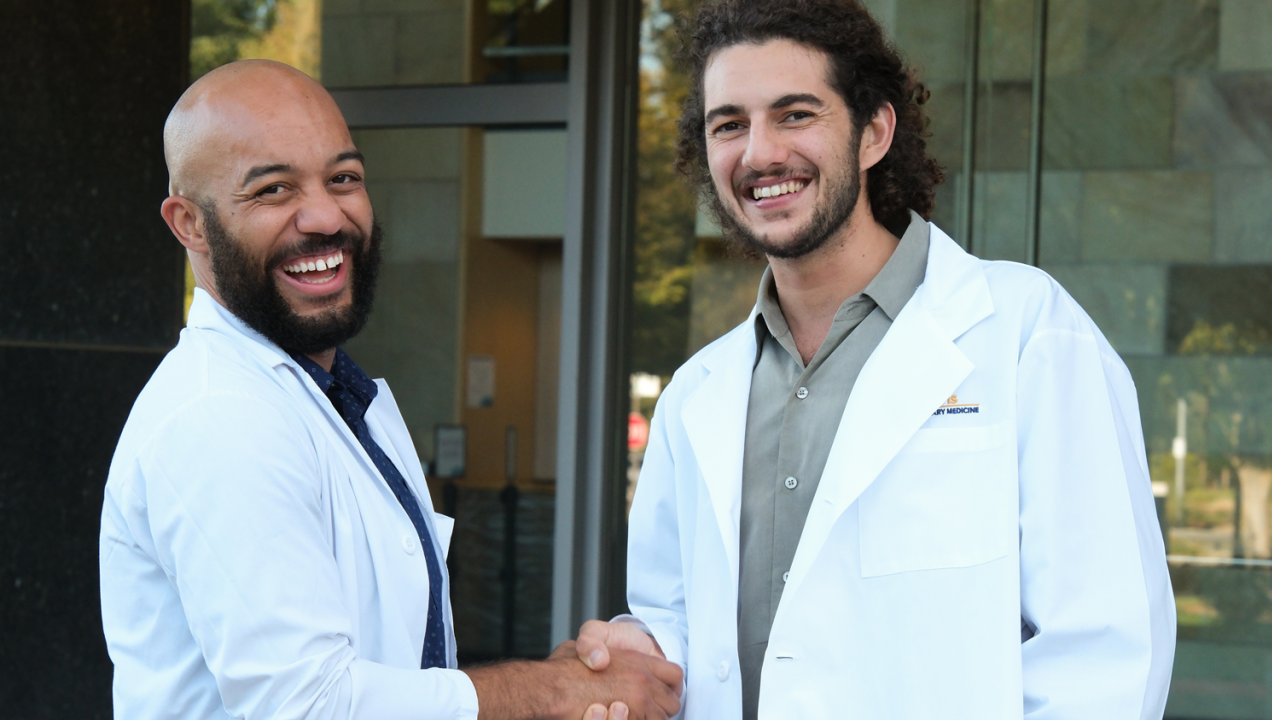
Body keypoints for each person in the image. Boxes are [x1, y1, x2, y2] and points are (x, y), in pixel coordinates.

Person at [574, 1, 1176, 717]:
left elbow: (1106, 651)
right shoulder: (696, 393)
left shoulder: (1026, 335)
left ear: (874, 133)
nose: (759, 153)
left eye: (795, 114)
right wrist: (637, 649)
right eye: (729, 123)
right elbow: (678, 618)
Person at [98, 60, 681, 720]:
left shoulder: (331, 395)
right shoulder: (220, 415)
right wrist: (556, 691)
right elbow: (311, 706)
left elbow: (393, 673)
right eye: (272, 190)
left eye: (343, 178)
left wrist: (555, 682)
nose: (324, 216)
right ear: (190, 224)